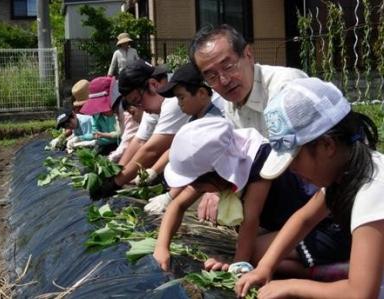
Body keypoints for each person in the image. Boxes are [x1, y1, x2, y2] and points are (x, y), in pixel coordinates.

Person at [234, 77, 383, 299]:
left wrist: (292, 286)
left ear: (326, 145)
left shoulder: (373, 190)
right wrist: (265, 267)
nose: (291, 169)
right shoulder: (346, 173)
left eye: (294, 159)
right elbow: (304, 218)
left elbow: (360, 293)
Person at [153, 117, 350, 278]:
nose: (195, 189)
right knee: (257, 252)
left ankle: (331, 271)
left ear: (216, 172)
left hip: (326, 227)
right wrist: (162, 248)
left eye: (198, 185)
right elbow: (177, 205)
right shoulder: (219, 162)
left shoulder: (257, 160)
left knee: (254, 254)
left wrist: (237, 266)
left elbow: (250, 219)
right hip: (293, 223)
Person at [188, 24, 309, 223]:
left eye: (228, 66)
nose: (224, 80)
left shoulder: (286, 87)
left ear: (248, 55)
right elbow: (238, 157)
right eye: (211, 76)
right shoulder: (228, 105)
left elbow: (298, 161)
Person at [89, 60, 189, 200]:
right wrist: (117, 171)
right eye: (135, 103)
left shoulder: (173, 100)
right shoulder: (153, 102)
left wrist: (116, 183)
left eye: (138, 100)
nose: (140, 108)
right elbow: (139, 141)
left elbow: (152, 150)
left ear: (153, 85)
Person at [143, 62, 224, 214]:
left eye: (181, 97)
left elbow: (198, 167)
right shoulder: (196, 117)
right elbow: (175, 148)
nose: (179, 104)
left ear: (201, 93)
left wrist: (170, 197)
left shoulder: (212, 123)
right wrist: (153, 171)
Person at [80, 76, 121, 155]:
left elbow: (120, 133)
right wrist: (80, 138)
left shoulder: (119, 113)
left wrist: (104, 135)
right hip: (104, 143)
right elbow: (95, 132)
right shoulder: (96, 116)